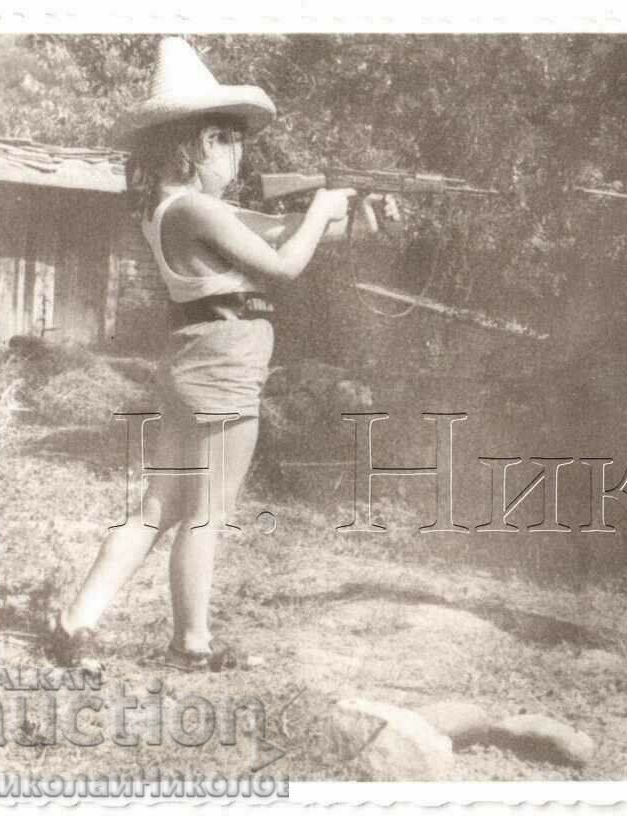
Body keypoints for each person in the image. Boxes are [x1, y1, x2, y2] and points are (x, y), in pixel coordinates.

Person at [46, 37, 398, 671]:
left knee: (160, 507)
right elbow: (285, 265)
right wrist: (323, 205)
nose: (239, 156)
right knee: (207, 513)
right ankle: (191, 643)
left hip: (198, 363)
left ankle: (77, 621)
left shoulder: (179, 208)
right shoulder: (196, 210)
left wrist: (362, 216)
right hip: (221, 371)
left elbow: (294, 237)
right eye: (233, 142)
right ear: (206, 141)